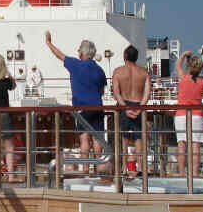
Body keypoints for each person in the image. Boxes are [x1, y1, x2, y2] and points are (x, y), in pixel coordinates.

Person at [46, 32, 109, 174]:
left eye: (79, 50)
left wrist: (49, 43)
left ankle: (86, 170)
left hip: (82, 108)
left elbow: (59, 55)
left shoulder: (75, 65)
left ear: (81, 53)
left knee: (84, 139)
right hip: (97, 107)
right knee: (97, 139)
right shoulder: (100, 70)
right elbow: (102, 91)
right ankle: (99, 169)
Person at [111, 45, 151, 174]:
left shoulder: (118, 72)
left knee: (124, 138)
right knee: (139, 138)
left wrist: (125, 107)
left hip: (124, 105)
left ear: (124, 56)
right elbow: (147, 93)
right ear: (137, 57)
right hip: (138, 104)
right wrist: (140, 108)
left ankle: (123, 168)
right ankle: (140, 167)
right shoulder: (144, 72)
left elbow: (116, 93)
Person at [174, 51, 203, 177]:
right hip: (197, 114)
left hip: (181, 114)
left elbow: (178, 64)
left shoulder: (183, 77)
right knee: (195, 146)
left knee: (181, 145)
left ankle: (182, 174)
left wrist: (183, 55)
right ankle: (195, 174)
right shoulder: (202, 82)